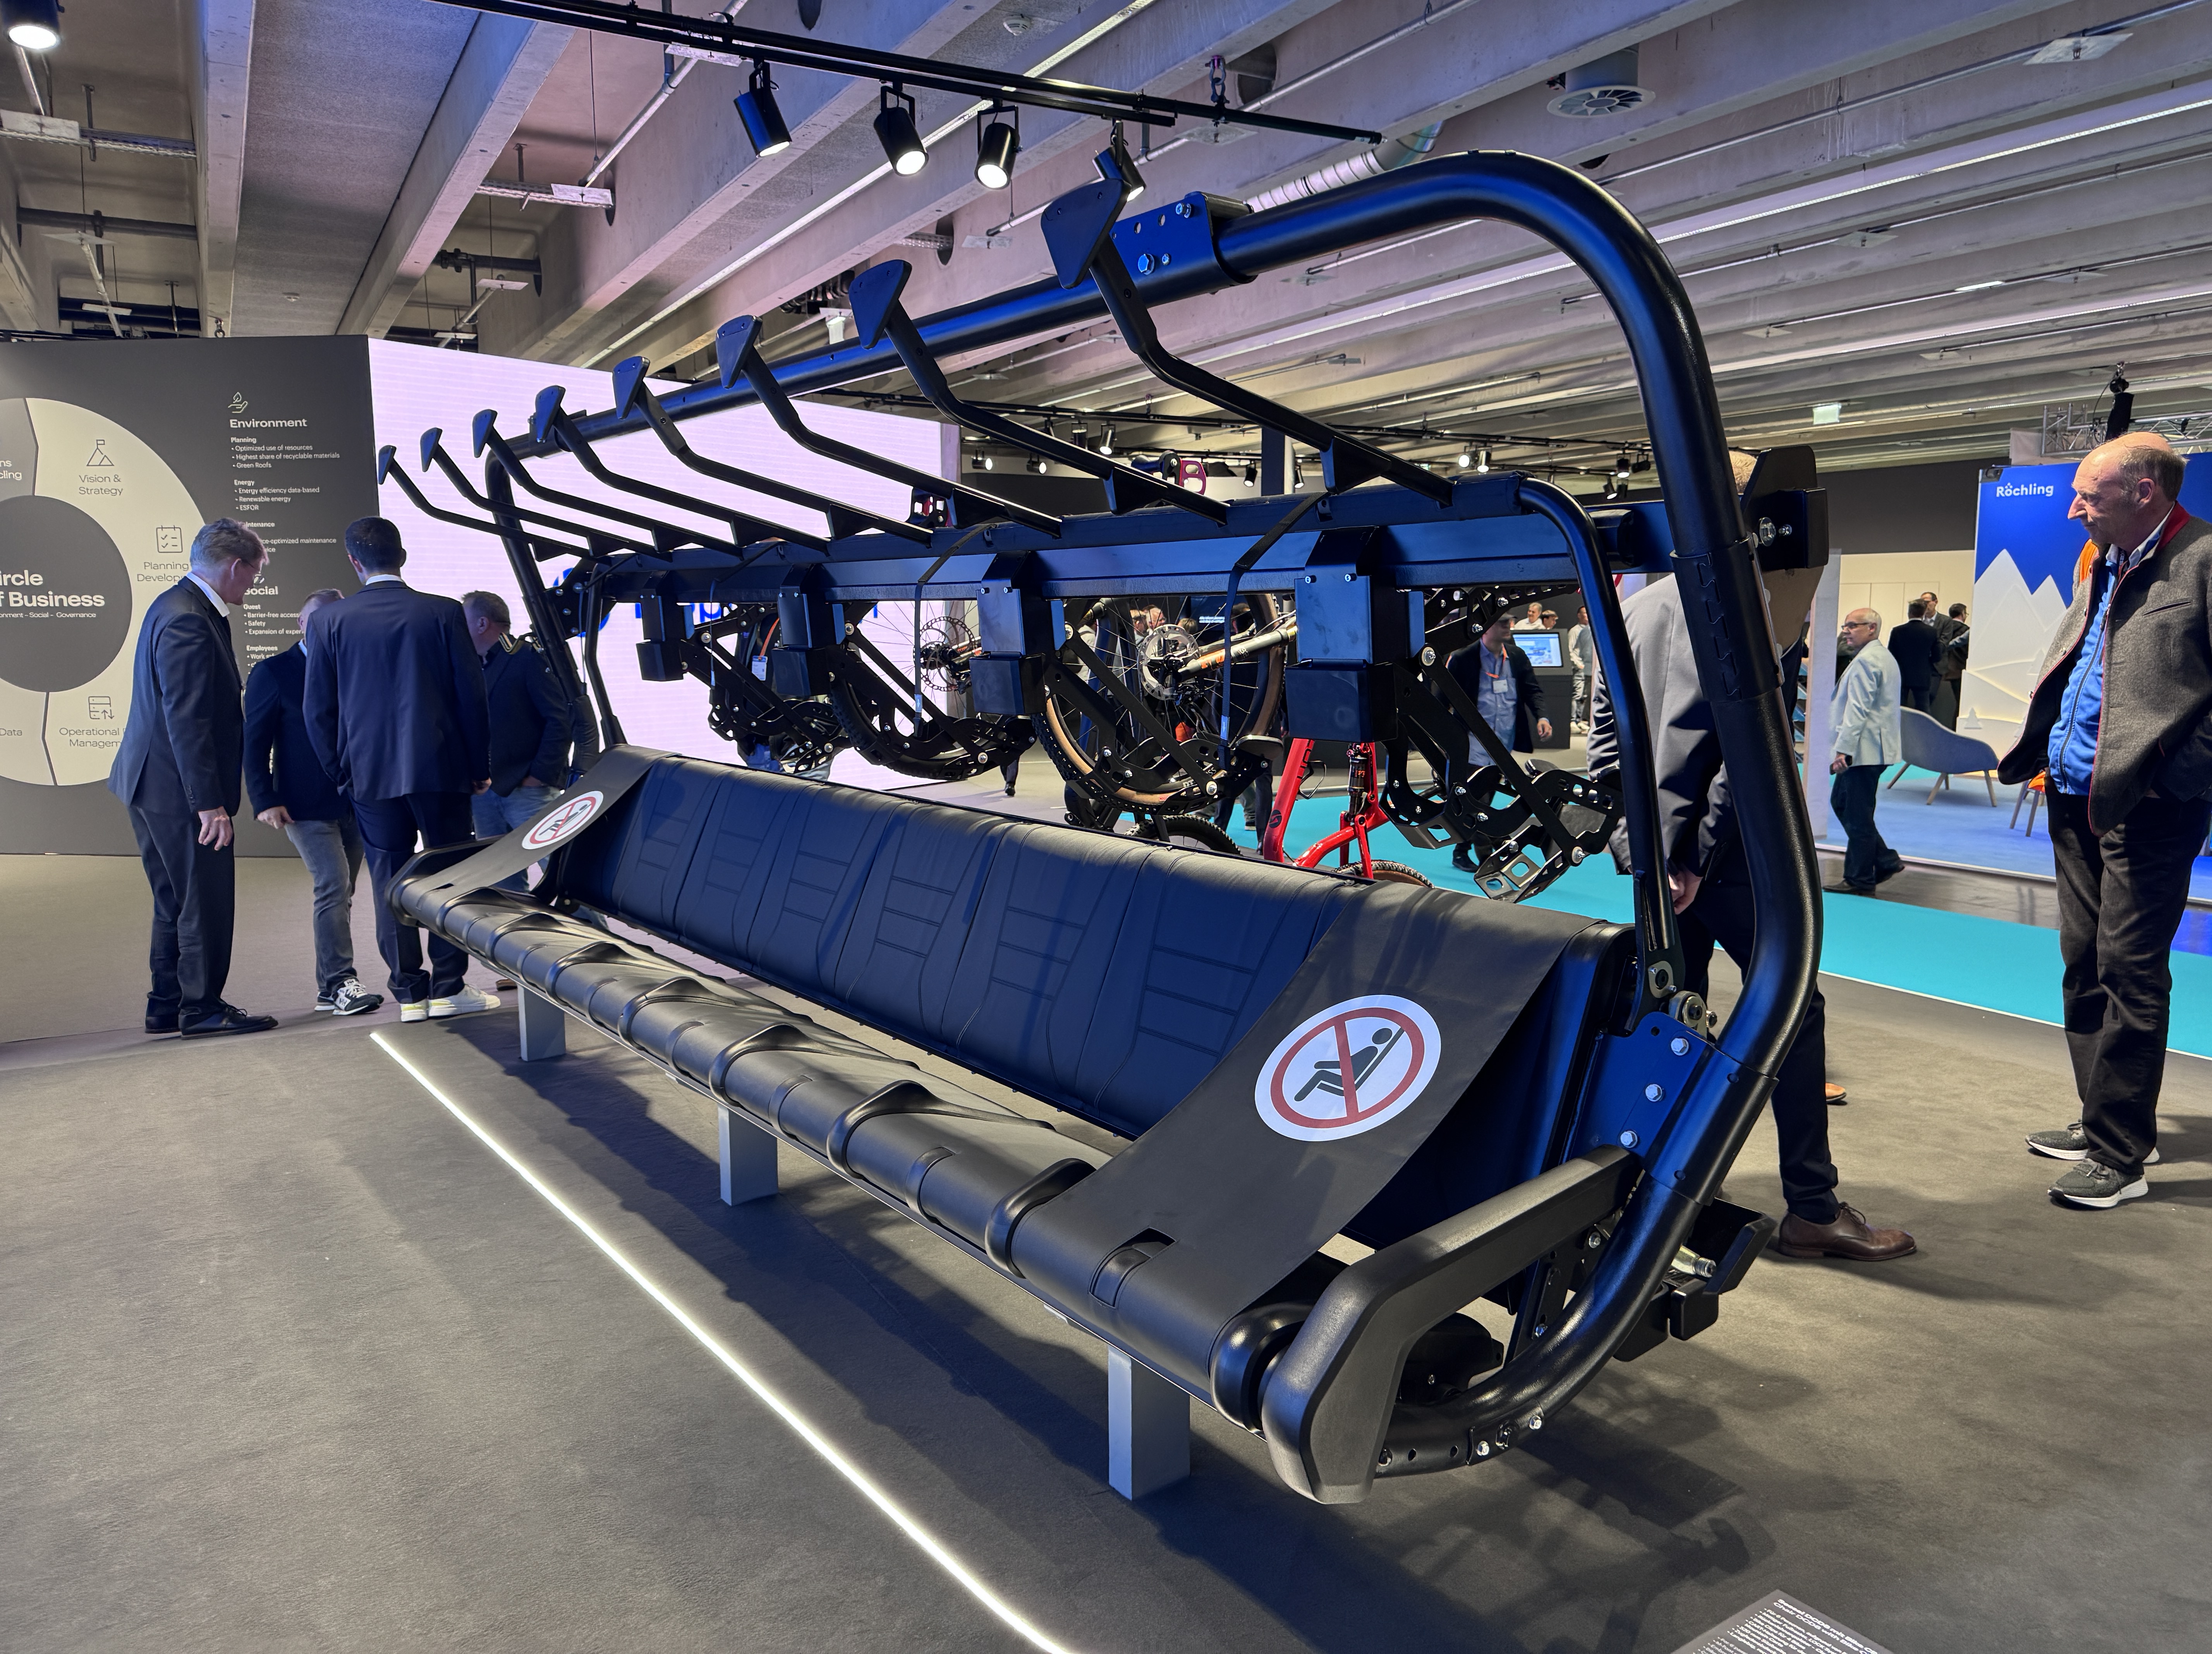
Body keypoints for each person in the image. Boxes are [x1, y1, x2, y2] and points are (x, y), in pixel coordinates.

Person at [1587, 496, 1911, 1262]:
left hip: (1658, 862)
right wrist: (1696, 858)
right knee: (1791, 1007)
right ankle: (1813, 1207)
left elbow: (1606, 744)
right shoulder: (1744, 607)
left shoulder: (1631, 610)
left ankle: (1660, 1188)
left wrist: (1647, 855)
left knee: (1672, 1018)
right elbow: (1747, 751)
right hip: (1724, 859)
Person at [1998, 436, 2209, 1210]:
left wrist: (2170, 777)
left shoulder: (2203, 560)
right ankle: (2104, 1120)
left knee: (2129, 969)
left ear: (2144, 491)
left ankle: (2121, 1154)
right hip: (2074, 795)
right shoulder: (2104, 559)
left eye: (2088, 494)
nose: (2073, 508)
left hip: (2146, 806)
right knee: (2083, 960)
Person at [304, 517, 498, 1023]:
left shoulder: (329, 621)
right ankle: (449, 986)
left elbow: (318, 710)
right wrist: (478, 766)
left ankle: (409, 993)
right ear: (403, 555)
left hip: (368, 775)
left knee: (389, 879)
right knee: (449, 876)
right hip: (442, 769)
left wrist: (341, 773)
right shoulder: (443, 612)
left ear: (354, 561)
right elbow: (472, 697)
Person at [106, 519, 279, 1038]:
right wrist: (208, 803)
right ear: (235, 566)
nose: (254, 584)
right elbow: (187, 718)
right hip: (178, 789)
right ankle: (202, 1008)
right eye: (255, 574)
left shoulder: (175, 604)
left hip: (151, 782)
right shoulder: (189, 619)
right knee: (204, 900)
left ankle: (167, 1004)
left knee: (175, 900)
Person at [244, 589, 383, 1017]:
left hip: (357, 801)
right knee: (333, 885)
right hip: (301, 805)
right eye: (317, 621)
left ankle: (328, 988)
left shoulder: (356, 666)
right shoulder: (273, 672)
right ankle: (341, 983)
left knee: (343, 891)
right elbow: (253, 743)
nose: (326, 629)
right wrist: (264, 799)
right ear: (301, 623)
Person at [464, 590, 578, 881]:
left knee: (561, 875)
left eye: (464, 621)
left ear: (482, 623)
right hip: (485, 791)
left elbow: (559, 720)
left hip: (527, 790)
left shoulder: (528, 657)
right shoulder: (475, 664)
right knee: (499, 883)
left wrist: (539, 776)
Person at [1444, 612, 1551, 872]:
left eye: (1509, 622)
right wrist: (1441, 741)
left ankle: (1465, 849)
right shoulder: (1463, 658)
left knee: (1486, 797)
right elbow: (1442, 699)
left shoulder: (1517, 656)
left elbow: (1532, 690)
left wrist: (1542, 716)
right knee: (1476, 800)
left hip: (1503, 744)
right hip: (1471, 745)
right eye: (1502, 623)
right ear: (1485, 627)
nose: (1508, 626)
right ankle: (1483, 854)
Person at [1829, 607, 1904, 894]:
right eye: (1845, 626)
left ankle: (1860, 878)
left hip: (1864, 750)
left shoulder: (1867, 661)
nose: (1846, 631)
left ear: (1872, 628)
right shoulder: (1882, 657)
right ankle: (1884, 860)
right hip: (1872, 749)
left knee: (1855, 814)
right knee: (1846, 806)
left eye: (1853, 626)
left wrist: (1843, 750)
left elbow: (1857, 710)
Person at [1886, 599, 1943, 715]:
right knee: (1923, 709)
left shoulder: (1897, 631)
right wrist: (1927, 662)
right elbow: (1937, 656)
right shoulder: (1932, 631)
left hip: (1901, 674)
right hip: (1922, 674)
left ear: (1909, 613)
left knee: (1899, 708)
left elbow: (1891, 654)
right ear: (1924, 614)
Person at [1933, 602, 1970, 728]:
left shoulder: (1942, 629)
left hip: (1940, 672)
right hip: (1958, 672)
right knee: (1960, 705)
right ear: (1963, 614)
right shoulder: (1967, 631)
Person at [1566, 604, 1596, 733]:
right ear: (1579, 615)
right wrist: (1579, 664)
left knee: (1586, 696)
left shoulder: (1589, 630)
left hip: (1589, 669)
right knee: (1577, 695)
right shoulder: (1576, 631)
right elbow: (1571, 650)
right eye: (1584, 613)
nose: (1587, 615)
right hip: (1581, 668)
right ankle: (1573, 721)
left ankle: (1581, 720)